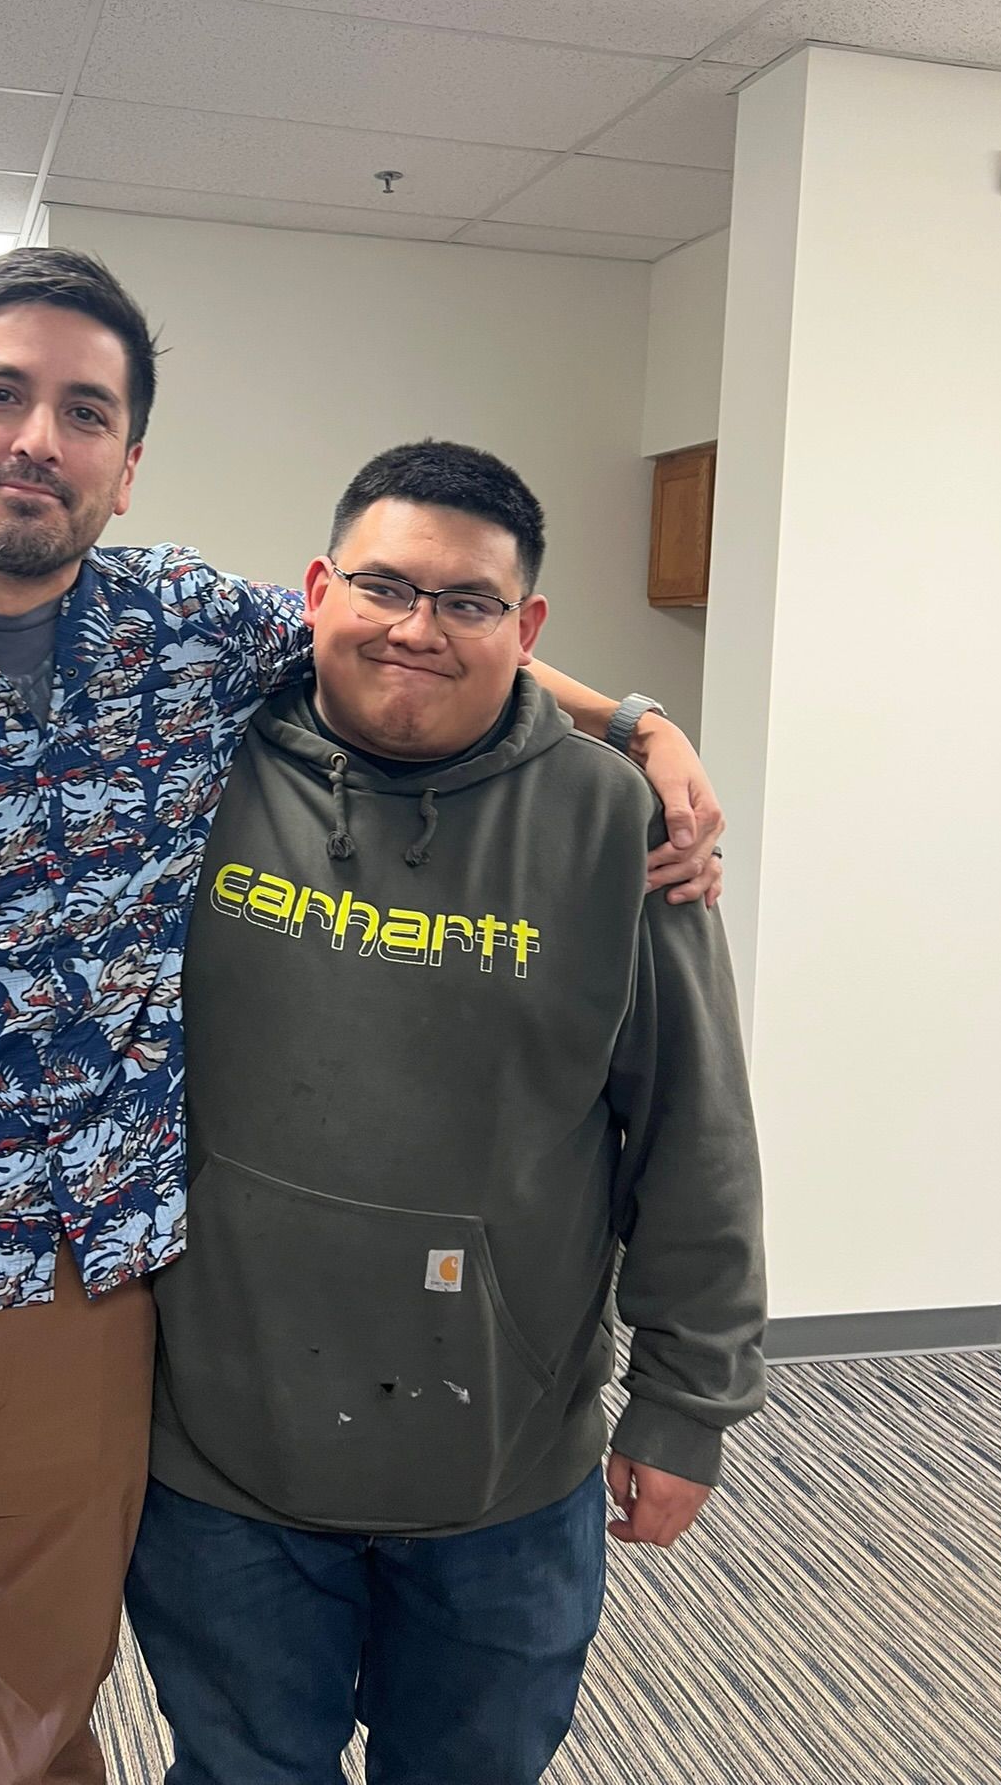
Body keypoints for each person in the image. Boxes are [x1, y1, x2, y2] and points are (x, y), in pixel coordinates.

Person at [0, 246, 725, 1785]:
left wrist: (643, 723)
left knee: (36, 1740)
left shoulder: (180, 631)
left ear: (128, 465)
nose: (38, 440)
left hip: (83, 1316)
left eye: (86, 413)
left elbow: (413, 631)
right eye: (2, 396)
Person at [122, 441, 765, 1785]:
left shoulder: (618, 825)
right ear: (317, 591)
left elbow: (693, 1130)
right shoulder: (187, 767)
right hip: (221, 1452)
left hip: (502, 1466)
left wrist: (687, 1402)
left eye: (469, 601)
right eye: (385, 587)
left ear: (527, 629)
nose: (418, 628)